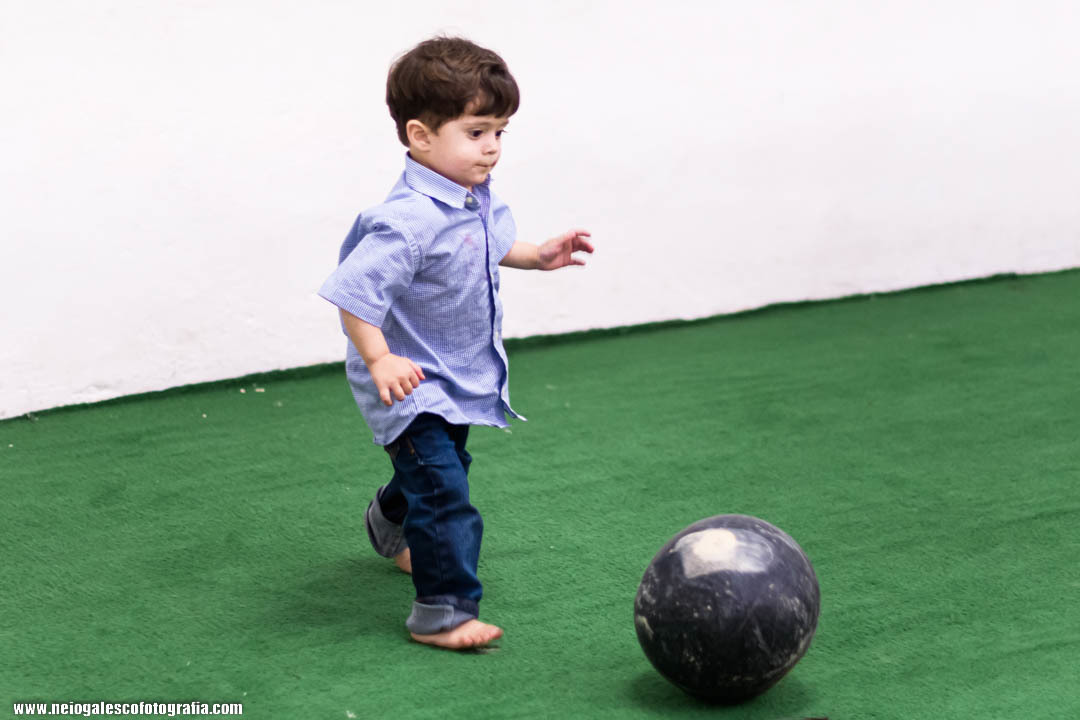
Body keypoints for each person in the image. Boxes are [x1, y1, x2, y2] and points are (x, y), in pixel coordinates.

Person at [318, 36, 594, 650]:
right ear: (421, 136)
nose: (492, 146)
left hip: (456, 372)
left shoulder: (475, 196)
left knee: (441, 469)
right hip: (407, 378)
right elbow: (353, 293)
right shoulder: (408, 221)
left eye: (499, 131)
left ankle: (391, 522)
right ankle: (443, 612)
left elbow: (491, 244)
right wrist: (379, 358)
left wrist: (538, 255)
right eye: (476, 132)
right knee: (444, 489)